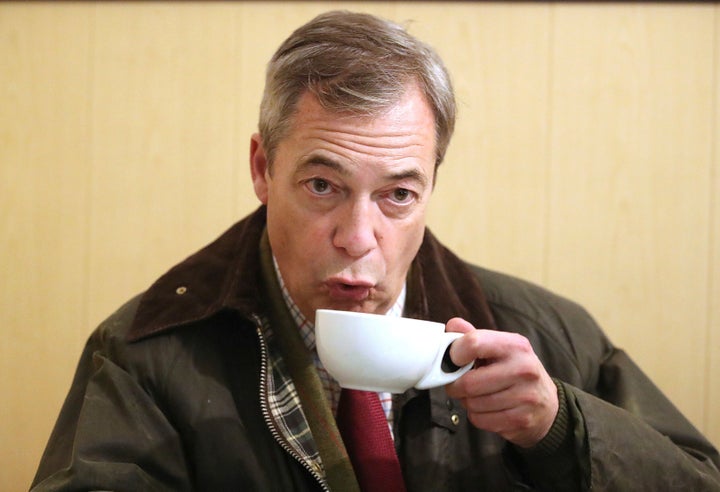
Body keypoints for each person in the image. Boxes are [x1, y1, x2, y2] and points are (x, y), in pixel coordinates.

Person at [32, 10, 720, 491]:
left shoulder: (541, 335)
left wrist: (559, 430)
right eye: (324, 185)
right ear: (262, 170)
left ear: (431, 187)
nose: (359, 238)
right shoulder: (148, 354)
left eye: (397, 195)